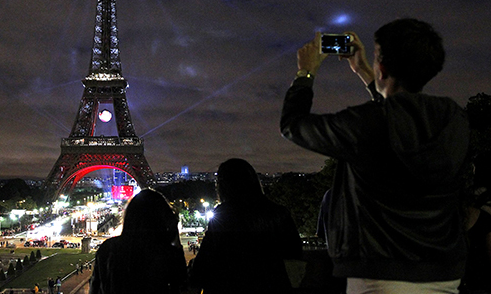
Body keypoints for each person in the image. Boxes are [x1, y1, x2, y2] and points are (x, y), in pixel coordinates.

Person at [280, 19, 469, 293]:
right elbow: (397, 121)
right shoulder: (454, 119)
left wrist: (305, 73)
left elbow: (293, 126)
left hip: (379, 272)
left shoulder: (365, 124)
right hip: (444, 271)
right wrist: (364, 72)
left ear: (382, 66)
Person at [189, 158, 302, 293]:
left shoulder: (224, 215)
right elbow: (294, 251)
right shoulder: (279, 212)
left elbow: (206, 257)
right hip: (272, 284)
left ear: (223, 186)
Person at [89, 188, 187, 294]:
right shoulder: (166, 254)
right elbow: (183, 286)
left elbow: (95, 288)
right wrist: (175, 238)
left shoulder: (108, 249)